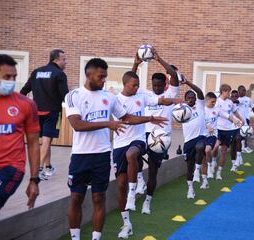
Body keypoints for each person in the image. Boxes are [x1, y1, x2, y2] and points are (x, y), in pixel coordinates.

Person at [64, 59, 168, 240]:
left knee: (99, 198)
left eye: (105, 76)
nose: (104, 80)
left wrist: (150, 118)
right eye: (100, 76)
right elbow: (77, 125)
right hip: (80, 156)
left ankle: (96, 238)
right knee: (75, 198)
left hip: (103, 155)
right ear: (89, 74)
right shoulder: (73, 95)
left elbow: (127, 117)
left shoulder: (109, 98)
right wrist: (108, 123)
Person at [113, 71, 181, 238]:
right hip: (119, 144)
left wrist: (177, 101)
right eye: (134, 85)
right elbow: (126, 119)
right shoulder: (116, 100)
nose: (137, 88)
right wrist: (149, 118)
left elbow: (162, 100)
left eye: (138, 85)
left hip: (139, 139)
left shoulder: (141, 97)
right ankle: (127, 223)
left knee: (133, 155)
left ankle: (134, 192)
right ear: (125, 84)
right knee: (120, 185)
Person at [0, 54, 40, 239]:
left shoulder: (26, 104)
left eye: (14, 77)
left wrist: (34, 180)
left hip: (10, 167)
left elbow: (34, 143)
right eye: (7, 77)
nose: (11, 81)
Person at [131, 49, 179, 214]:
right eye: (155, 85)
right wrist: (136, 64)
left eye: (160, 85)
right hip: (144, 133)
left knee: (153, 170)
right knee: (134, 154)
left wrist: (159, 58)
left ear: (164, 84)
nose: (157, 88)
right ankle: (139, 180)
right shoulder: (145, 93)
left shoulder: (171, 93)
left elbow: (174, 75)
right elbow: (129, 81)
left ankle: (147, 201)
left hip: (161, 138)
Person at [20, 49, 69, 180]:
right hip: (52, 112)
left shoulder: (36, 72)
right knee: (47, 140)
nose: (66, 62)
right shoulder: (59, 74)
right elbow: (66, 96)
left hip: (36, 112)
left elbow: (24, 91)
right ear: (56, 60)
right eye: (64, 59)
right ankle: (39, 169)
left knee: (47, 141)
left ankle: (47, 167)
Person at [180, 76, 206, 199]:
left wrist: (187, 82)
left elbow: (200, 92)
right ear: (185, 100)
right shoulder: (181, 109)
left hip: (200, 136)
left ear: (196, 99)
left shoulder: (200, 106)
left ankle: (198, 170)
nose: (191, 100)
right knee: (189, 167)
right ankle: (190, 189)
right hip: (188, 141)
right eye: (188, 98)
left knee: (200, 147)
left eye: (192, 98)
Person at [216, 84, 244, 180]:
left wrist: (241, 119)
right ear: (223, 91)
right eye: (228, 91)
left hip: (227, 130)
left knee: (223, 151)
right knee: (214, 148)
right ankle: (211, 163)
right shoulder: (217, 101)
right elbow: (221, 113)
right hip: (218, 129)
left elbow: (234, 111)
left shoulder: (230, 102)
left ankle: (219, 172)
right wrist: (233, 120)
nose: (229, 93)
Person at [237, 85, 254, 153]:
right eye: (242, 90)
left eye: (244, 90)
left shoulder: (248, 99)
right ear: (238, 91)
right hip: (238, 120)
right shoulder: (236, 100)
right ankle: (242, 148)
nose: (244, 91)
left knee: (246, 133)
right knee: (240, 134)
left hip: (246, 119)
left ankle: (245, 147)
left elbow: (253, 108)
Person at [203, 92, 220, 183]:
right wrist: (207, 127)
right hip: (202, 135)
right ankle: (198, 171)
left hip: (212, 135)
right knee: (201, 153)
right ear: (207, 100)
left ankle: (210, 167)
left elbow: (226, 115)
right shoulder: (202, 110)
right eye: (212, 102)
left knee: (208, 150)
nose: (214, 103)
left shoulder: (216, 110)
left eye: (215, 102)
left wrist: (234, 120)